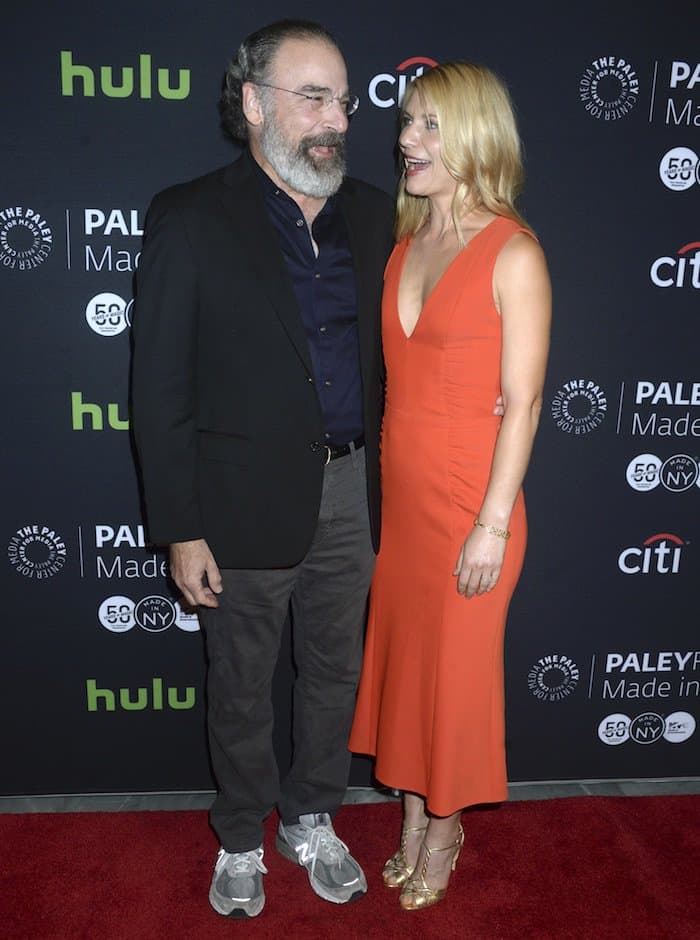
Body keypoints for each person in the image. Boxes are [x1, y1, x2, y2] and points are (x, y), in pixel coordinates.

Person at [131, 20, 395, 918]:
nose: (337, 118)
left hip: (357, 493)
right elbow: (158, 388)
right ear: (253, 104)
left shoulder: (375, 212)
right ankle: (242, 833)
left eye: (344, 100)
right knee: (240, 683)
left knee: (334, 672)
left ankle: (311, 816)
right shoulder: (192, 217)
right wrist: (179, 524)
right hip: (237, 505)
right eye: (312, 96)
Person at [349, 61, 551, 912]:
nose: (405, 140)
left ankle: (444, 827)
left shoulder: (515, 252)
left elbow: (526, 400)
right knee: (407, 677)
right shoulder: (404, 245)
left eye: (430, 126)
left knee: (455, 685)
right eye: (408, 124)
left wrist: (492, 524)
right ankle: (410, 816)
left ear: (474, 136)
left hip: (475, 509)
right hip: (404, 509)